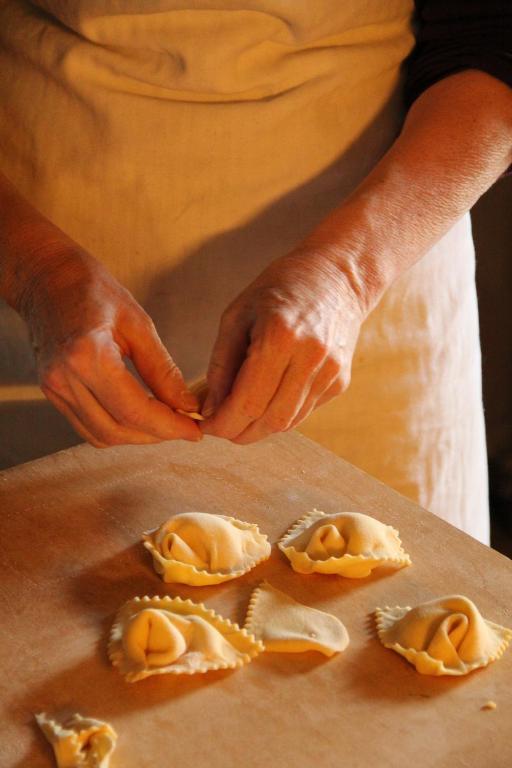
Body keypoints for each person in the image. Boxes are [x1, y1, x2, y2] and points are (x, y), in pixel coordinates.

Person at [0, 2, 511, 545]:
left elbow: (493, 40)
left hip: (382, 264)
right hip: (29, 270)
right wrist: (39, 272)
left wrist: (348, 275)